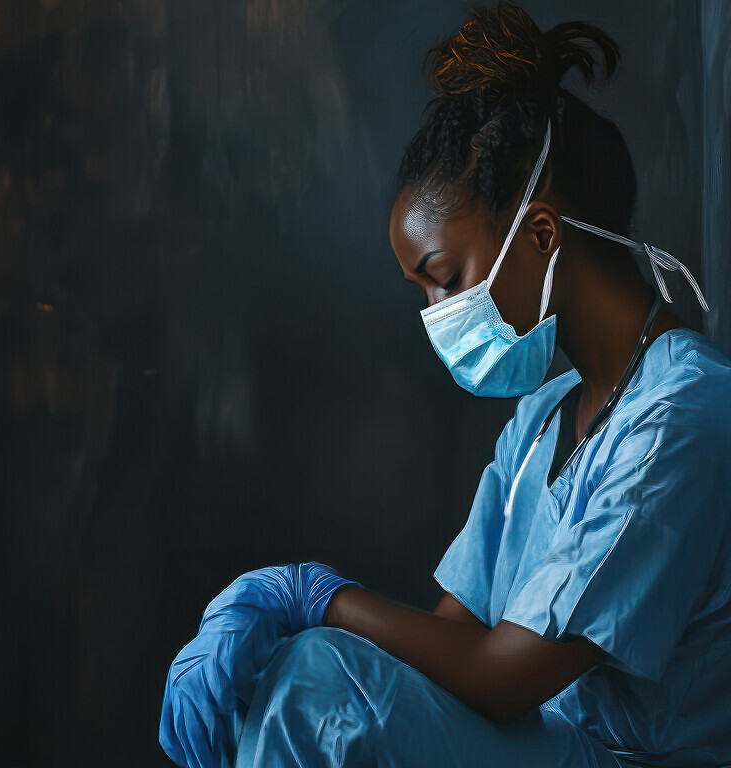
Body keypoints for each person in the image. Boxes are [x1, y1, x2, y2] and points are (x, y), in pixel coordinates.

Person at [157, 3, 731, 767]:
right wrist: (296, 627)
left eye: (446, 280)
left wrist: (313, 596)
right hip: (549, 746)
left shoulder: (681, 418)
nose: (439, 316)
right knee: (291, 673)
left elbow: (500, 681)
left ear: (541, 236)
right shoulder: (542, 422)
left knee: (316, 688)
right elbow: (458, 639)